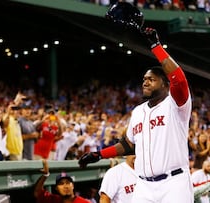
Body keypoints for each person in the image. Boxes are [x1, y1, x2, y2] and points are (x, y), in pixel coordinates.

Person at [78, 26, 194, 202]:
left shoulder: (176, 104)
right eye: (144, 80)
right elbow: (128, 145)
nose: (145, 82)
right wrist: (99, 154)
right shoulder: (138, 111)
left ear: (165, 84)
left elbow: (180, 79)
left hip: (174, 183)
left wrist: (156, 46)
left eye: (151, 79)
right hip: (144, 186)